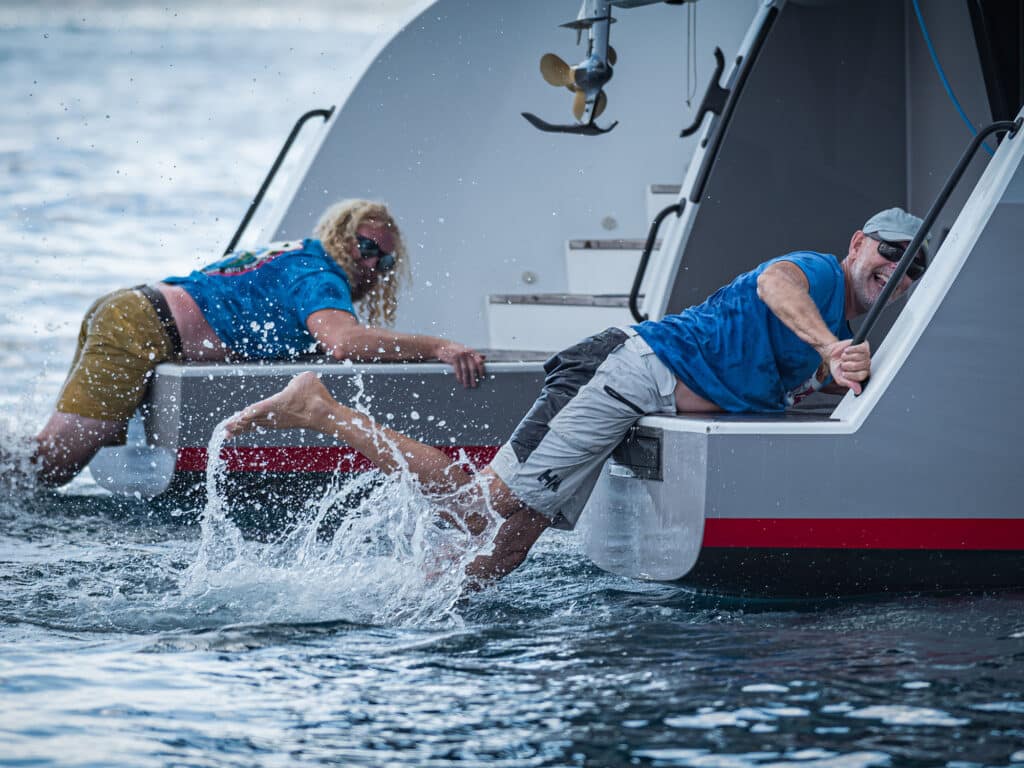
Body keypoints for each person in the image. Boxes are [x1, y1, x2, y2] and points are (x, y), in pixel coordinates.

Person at [225, 207, 928, 585]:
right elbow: (777, 285)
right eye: (889, 252)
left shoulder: (837, 329)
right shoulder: (817, 278)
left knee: (502, 555)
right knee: (486, 509)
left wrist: (824, 366)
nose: (894, 269)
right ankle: (316, 405)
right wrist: (831, 349)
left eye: (912, 266)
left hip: (644, 401)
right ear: (860, 243)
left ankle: (403, 595)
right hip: (625, 372)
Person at [33, 199, 486, 487]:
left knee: (68, 450)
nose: (372, 265)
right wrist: (440, 347)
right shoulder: (318, 274)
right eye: (366, 249)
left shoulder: (296, 254)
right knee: (49, 467)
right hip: (141, 327)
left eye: (385, 259)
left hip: (132, 310)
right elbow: (346, 342)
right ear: (340, 239)